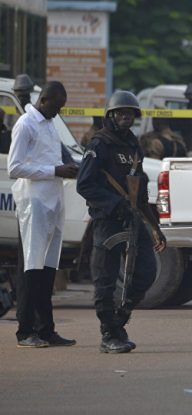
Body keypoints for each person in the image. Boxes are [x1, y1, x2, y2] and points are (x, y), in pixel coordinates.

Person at [77, 91, 167, 353]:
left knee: (147, 272)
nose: (126, 117)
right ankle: (108, 333)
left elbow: (139, 188)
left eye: (130, 114)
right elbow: (85, 185)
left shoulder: (133, 145)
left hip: (134, 219)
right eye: (121, 113)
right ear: (111, 116)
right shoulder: (99, 145)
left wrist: (155, 226)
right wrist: (115, 205)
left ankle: (120, 318)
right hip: (108, 221)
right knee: (105, 280)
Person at [8, 81, 79, 348]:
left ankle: (46, 329)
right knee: (31, 266)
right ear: (44, 100)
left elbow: (51, 159)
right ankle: (25, 331)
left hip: (53, 200)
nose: (59, 112)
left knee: (48, 267)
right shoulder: (26, 124)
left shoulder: (49, 124)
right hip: (33, 203)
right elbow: (14, 168)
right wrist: (54, 171)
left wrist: (64, 167)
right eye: (57, 106)